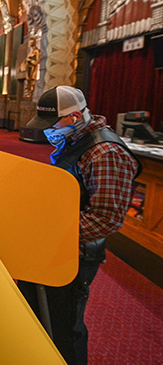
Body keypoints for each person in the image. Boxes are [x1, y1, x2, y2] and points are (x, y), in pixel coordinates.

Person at [18, 86, 140, 365]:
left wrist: (50, 234)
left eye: (52, 124)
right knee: (39, 312)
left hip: (76, 252)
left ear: (73, 117)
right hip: (55, 243)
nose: (48, 132)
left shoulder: (106, 153)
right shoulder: (76, 139)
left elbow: (106, 218)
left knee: (64, 327)